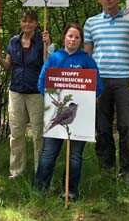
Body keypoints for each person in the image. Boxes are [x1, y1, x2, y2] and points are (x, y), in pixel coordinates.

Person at [84, 0, 129, 183]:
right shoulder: (90, 23)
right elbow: (87, 55)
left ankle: (128, 173)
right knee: (102, 128)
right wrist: (87, 83)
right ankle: (107, 168)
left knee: (128, 126)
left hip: (125, 81)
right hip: (99, 81)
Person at [34, 23, 102, 200]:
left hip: (80, 118)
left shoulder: (87, 60)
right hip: (55, 114)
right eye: (70, 36)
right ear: (64, 37)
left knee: (74, 156)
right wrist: (52, 100)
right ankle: (39, 190)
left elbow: (98, 86)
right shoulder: (54, 58)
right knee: (48, 154)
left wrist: (87, 100)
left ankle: (70, 191)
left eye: (77, 37)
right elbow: (41, 83)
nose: (73, 40)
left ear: (81, 41)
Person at [0, 10, 49, 179]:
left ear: (36, 24)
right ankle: (16, 171)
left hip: (36, 92)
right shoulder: (13, 41)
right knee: (16, 132)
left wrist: (48, 45)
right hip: (16, 92)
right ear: (21, 23)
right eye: (24, 21)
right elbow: (7, 66)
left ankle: (39, 171)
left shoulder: (42, 41)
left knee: (38, 133)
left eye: (31, 22)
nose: (27, 24)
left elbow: (48, 64)